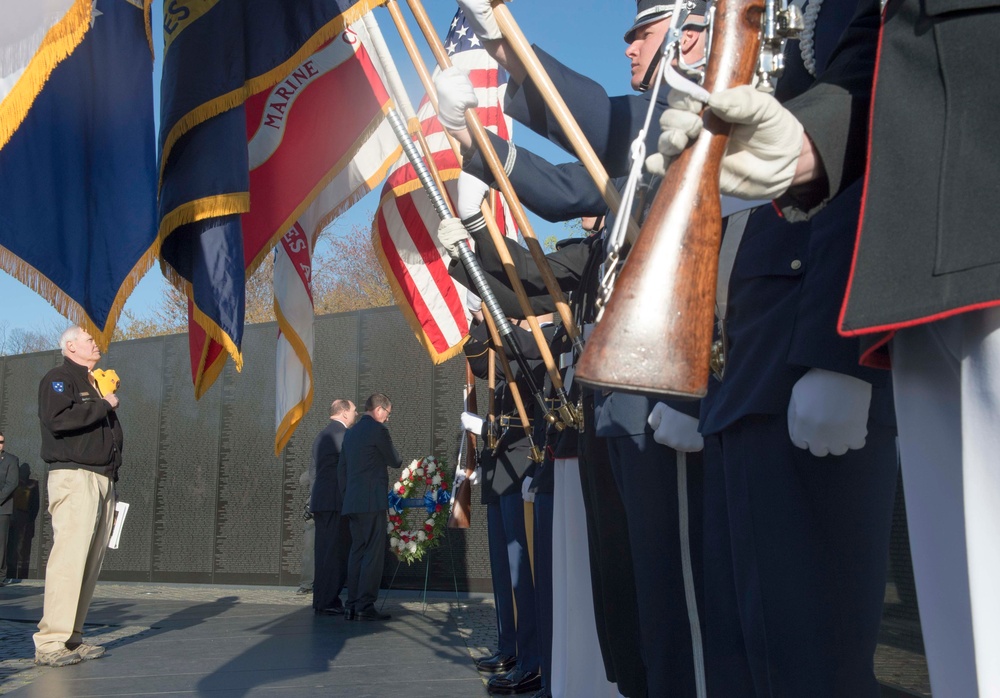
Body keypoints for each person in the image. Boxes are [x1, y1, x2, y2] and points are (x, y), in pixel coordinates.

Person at [654, 0, 1000, 694]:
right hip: (916, 284)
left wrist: (835, 352)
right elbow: (881, 77)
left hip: (914, 275)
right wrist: (808, 142)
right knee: (965, 638)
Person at [437, 1, 710, 695]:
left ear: (693, 31)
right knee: (626, 592)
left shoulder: (701, 122)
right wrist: (476, 162)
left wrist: (504, 59)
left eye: (642, 34)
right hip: (607, 402)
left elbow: (578, 147)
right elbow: (569, 173)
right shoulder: (643, 135)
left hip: (675, 384)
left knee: (675, 592)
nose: (628, 48)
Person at [461, 317, 548, 696]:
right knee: (502, 564)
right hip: (499, 458)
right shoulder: (501, 336)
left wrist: (506, 323)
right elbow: (479, 362)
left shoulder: (537, 338)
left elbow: (526, 370)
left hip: (520, 458)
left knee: (519, 566)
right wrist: (481, 322)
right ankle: (510, 646)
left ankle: (532, 659)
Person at [33, 326, 123, 667]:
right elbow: (57, 420)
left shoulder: (93, 381)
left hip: (101, 478)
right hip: (74, 476)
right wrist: (103, 405)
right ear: (70, 346)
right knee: (69, 560)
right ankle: (50, 641)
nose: (95, 343)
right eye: (88, 339)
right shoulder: (59, 378)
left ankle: (71, 638)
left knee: (89, 562)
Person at [339, 393, 400, 621]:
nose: (387, 420)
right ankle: (365, 605)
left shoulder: (350, 433)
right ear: (379, 410)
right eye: (388, 415)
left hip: (352, 502)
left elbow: (341, 470)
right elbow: (395, 460)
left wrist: (347, 497)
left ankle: (351, 604)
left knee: (357, 551)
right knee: (373, 554)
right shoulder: (378, 430)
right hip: (371, 501)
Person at [311, 399, 357, 615]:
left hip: (321, 501)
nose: (356, 414)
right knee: (334, 553)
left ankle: (321, 599)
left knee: (322, 552)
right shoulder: (342, 435)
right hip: (335, 502)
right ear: (345, 413)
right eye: (354, 410)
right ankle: (328, 600)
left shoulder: (321, 435)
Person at [6, 461, 40, 581]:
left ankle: (22, 576)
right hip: (13, 521)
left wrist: (30, 520)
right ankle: (10, 574)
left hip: (25, 522)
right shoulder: (12, 483)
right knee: (11, 550)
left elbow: (35, 505)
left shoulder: (33, 484)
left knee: (24, 551)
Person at [0, 431, 19, 586]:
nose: (0, 445)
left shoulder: (11, 460)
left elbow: (11, 483)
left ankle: (0, 575)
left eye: (2, 442)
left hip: (2, 509)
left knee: (1, 543)